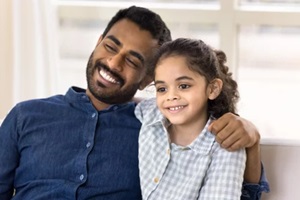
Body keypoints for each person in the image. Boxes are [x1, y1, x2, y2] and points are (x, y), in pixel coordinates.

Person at [0, 6, 269, 200]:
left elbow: (231, 191)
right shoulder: (27, 115)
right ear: (97, 44)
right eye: (110, 46)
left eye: (133, 61)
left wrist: (252, 139)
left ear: (148, 80)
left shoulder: (156, 129)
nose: (113, 63)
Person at [136, 38, 247, 199]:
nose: (171, 96)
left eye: (184, 86)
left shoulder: (225, 147)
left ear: (212, 88)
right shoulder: (150, 113)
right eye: (162, 88)